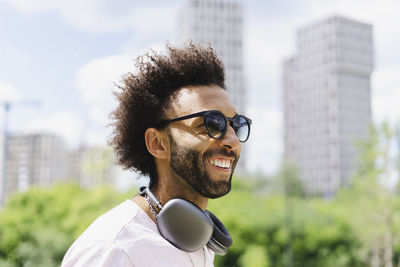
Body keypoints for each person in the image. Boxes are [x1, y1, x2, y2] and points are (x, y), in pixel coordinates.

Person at [61, 43, 252, 266]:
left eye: (235, 125)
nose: (233, 141)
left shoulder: (198, 241)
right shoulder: (114, 251)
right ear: (157, 143)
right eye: (211, 123)